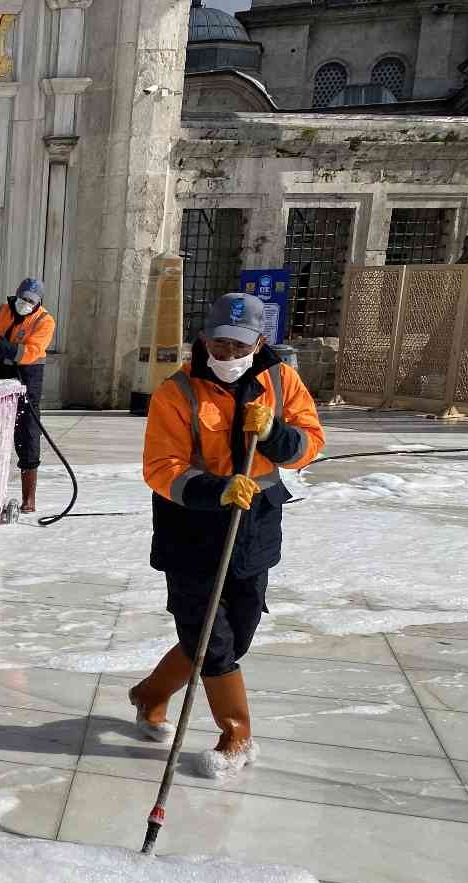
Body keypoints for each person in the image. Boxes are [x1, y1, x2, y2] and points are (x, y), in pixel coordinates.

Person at [133, 292, 324, 778]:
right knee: (208, 641)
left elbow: (310, 444)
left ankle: (152, 692)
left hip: (255, 526)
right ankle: (236, 734)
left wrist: (276, 432)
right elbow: (161, 467)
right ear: (203, 339)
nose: (229, 357)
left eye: (239, 348)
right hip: (191, 529)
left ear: (259, 342)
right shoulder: (177, 392)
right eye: (219, 347)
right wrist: (216, 489)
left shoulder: (282, 381)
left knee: (235, 635)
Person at [0, 277, 56, 513]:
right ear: (15, 295)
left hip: (27, 376)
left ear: (38, 302)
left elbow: (31, 352)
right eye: (22, 298)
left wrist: (0, 344)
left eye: (30, 300)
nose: (25, 303)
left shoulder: (44, 321)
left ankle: (29, 497)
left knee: (27, 431)